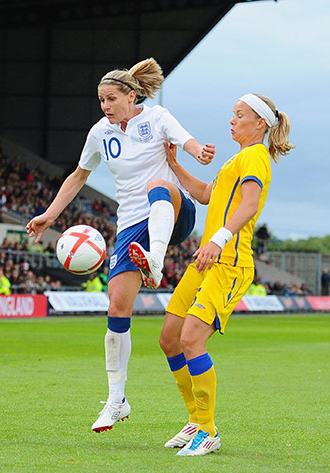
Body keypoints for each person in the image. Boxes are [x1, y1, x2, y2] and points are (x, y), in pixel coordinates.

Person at [26, 58, 215, 433]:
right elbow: (79, 175)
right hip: (131, 225)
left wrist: (199, 153)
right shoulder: (100, 133)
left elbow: (187, 142)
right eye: (101, 101)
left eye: (111, 99)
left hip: (175, 212)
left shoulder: (158, 117)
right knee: (116, 306)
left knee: (156, 188)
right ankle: (117, 400)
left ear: (131, 96)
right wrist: (49, 214)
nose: (106, 106)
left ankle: (156, 261)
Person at [158, 93, 294, 456]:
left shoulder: (256, 156)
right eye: (232, 115)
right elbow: (205, 194)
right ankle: (194, 420)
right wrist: (175, 166)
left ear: (260, 123)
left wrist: (217, 239)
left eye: (239, 115)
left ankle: (208, 430)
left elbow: (249, 205)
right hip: (206, 261)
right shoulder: (237, 159)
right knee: (170, 338)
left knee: (191, 341)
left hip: (229, 263)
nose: (231, 121)